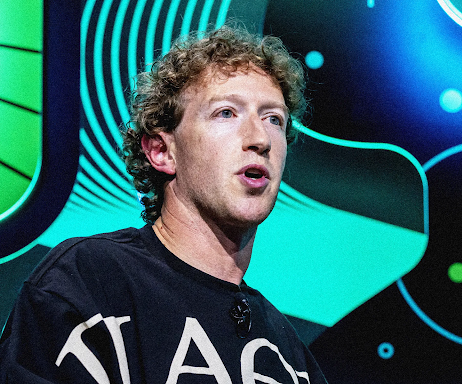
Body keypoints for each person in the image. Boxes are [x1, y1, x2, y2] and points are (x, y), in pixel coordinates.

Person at [0, 26, 327, 383]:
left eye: (273, 119)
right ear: (161, 151)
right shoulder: (89, 280)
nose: (260, 138)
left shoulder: (291, 357)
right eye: (226, 113)